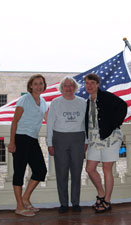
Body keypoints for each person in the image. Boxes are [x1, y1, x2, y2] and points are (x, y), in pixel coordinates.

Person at [84, 73, 127, 213]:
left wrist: (114, 124)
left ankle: (107, 201)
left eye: (92, 83)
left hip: (110, 137)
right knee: (90, 168)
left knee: (106, 169)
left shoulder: (107, 97)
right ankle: (101, 194)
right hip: (94, 139)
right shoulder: (87, 102)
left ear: (97, 84)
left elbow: (123, 106)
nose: (89, 86)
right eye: (87, 83)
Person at [8, 74, 48, 217]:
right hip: (20, 138)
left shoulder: (43, 102)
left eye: (41, 83)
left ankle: (25, 198)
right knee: (19, 172)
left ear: (44, 85)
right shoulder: (24, 99)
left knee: (40, 170)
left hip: (32, 139)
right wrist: (12, 142)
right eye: (36, 84)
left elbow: (50, 120)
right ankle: (19, 206)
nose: (38, 86)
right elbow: (15, 121)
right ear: (30, 86)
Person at [46, 76, 87, 213]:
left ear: (75, 88)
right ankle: (63, 203)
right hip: (60, 139)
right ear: (62, 88)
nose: (69, 88)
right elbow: (50, 123)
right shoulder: (56, 102)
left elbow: (86, 124)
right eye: (66, 86)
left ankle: (75, 202)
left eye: (71, 86)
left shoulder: (82, 102)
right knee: (61, 173)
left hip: (78, 139)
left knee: (76, 172)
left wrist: (86, 141)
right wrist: (49, 143)